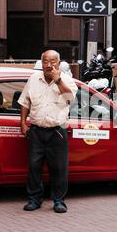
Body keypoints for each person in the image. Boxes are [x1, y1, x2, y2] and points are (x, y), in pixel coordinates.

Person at [18, 50, 78, 213]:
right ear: (41, 63)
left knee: (58, 168)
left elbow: (70, 100)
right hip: (36, 131)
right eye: (46, 61)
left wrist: (57, 80)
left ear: (58, 64)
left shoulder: (67, 81)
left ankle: (59, 201)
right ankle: (34, 199)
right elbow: (25, 102)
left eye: (53, 62)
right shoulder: (33, 79)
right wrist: (23, 123)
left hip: (57, 132)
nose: (49, 65)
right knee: (34, 166)